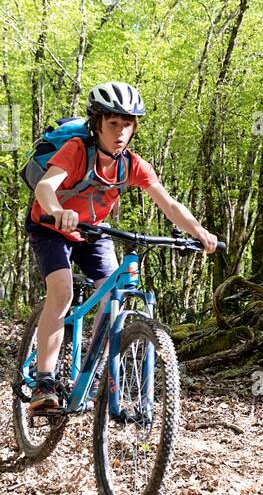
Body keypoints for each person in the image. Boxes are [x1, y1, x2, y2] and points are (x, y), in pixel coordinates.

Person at [25, 80, 217, 413]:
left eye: (127, 124)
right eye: (113, 123)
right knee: (62, 292)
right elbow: (45, 187)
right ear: (96, 123)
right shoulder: (75, 149)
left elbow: (168, 205)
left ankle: (93, 370)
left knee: (112, 291)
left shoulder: (133, 165)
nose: (120, 131)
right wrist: (57, 211)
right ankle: (44, 381)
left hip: (93, 233)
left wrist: (198, 231)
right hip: (50, 228)